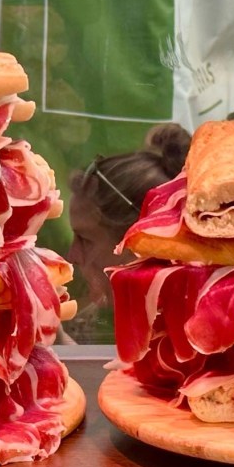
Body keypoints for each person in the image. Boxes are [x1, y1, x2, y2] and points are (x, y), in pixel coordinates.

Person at [63, 123, 192, 343]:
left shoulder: (204, 328)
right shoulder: (87, 325)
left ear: (141, 245)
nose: (72, 256)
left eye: (85, 239)